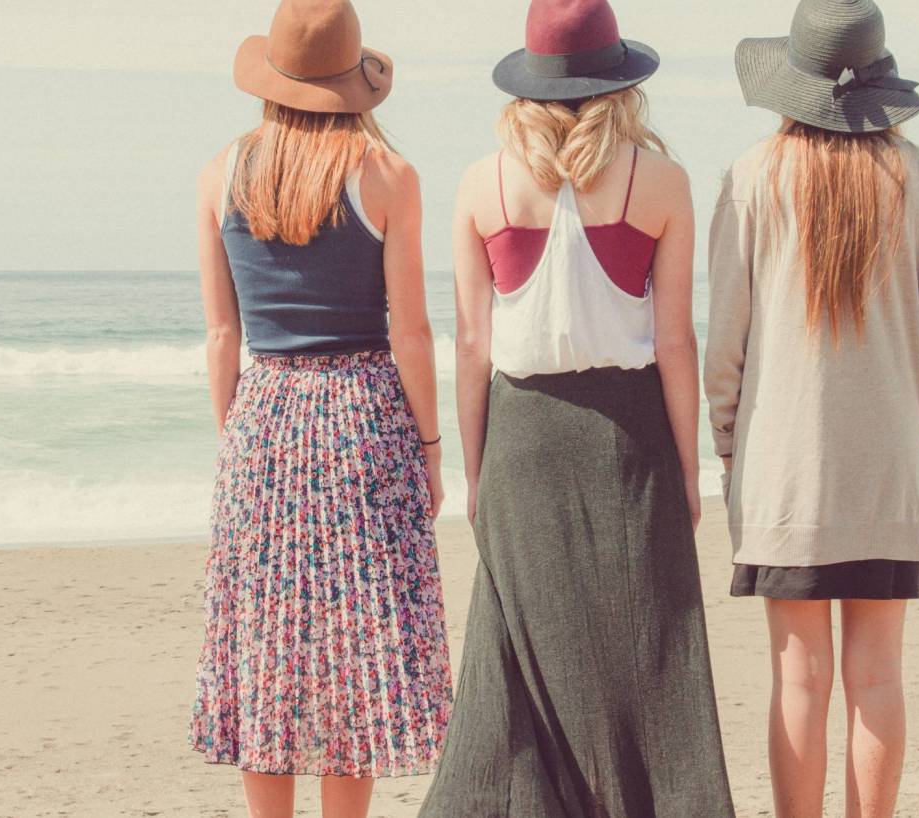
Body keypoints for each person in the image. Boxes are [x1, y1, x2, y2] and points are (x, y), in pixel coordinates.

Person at [417, 1, 736, 816]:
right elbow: (674, 342)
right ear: (620, 79)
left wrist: (477, 469)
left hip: (522, 436)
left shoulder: (481, 183)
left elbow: (473, 346)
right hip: (628, 437)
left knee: (518, 660)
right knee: (647, 657)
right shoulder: (658, 180)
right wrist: (690, 467)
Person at [187, 1, 452, 816]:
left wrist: (236, 436)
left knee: (265, 641)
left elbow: (222, 333)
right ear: (352, 81)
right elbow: (409, 331)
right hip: (364, 413)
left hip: (264, 412)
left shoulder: (221, 171)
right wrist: (432, 444)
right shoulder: (388, 176)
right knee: (356, 642)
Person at [705, 1, 919, 816]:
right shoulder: (918, 174)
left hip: (784, 465)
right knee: (879, 675)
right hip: (888, 461)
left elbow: (728, 338)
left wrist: (727, 443)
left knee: (798, 678)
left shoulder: (755, 174)